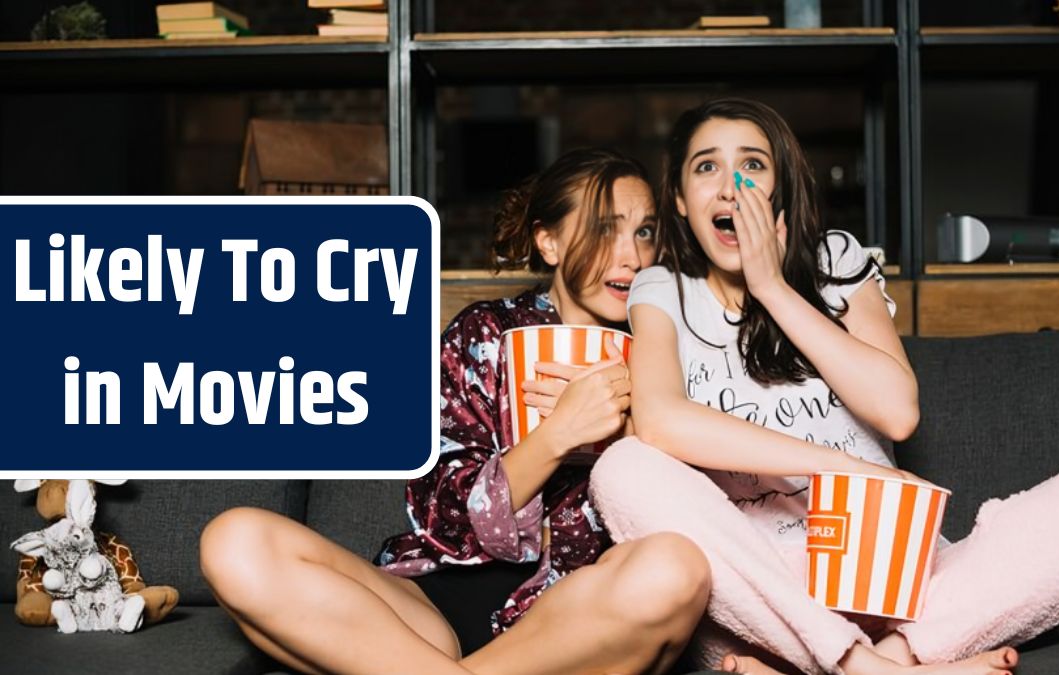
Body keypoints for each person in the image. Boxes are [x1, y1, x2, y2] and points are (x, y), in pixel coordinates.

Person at [586, 99, 1059, 675]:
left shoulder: (836, 260)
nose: (730, 188)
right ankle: (857, 664)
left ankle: (885, 659)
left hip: (891, 577)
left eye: (752, 165)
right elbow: (661, 421)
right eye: (706, 168)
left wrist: (771, 287)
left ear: (781, 188)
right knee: (623, 469)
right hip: (761, 592)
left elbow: (897, 411)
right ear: (678, 198)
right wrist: (838, 466)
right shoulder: (662, 288)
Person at [201, 148, 712, 675]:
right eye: (605, 229)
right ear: (549, 240)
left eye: (645, 232)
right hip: (430, 611)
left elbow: (699, 520)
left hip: (573, 621)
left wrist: (637, 427)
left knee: (678, 569)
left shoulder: (668, 354)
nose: (631, 255)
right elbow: (438, 513)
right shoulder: (484, 332)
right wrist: (557, 435)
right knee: (234, 541)